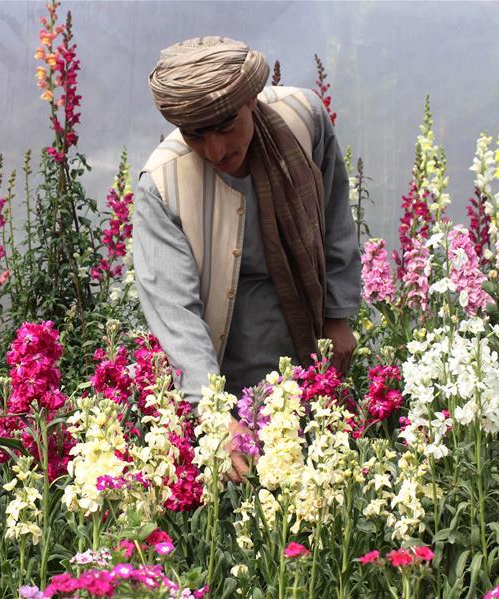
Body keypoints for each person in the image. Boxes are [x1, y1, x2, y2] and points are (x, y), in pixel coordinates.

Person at [133, 36, 361, 482]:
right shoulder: (163, 185)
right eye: (196, 134)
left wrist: (337, 315)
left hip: (304, 338)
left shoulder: (303, 119)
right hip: (222, 358)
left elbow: (334, 214)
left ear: (251, 100)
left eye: (226, 126)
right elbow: (175, 312)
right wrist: (214, 413)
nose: (216, 150)